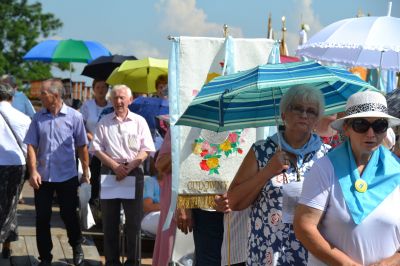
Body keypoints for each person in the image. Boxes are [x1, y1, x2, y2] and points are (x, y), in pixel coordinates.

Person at [294, 91, 400, 266]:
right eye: (361, 125)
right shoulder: (325, 168)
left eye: (379, 125)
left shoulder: (398, 170)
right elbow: (304, 226)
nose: (371, 133)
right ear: (347, 128)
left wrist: (389, 263)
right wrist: (347, 264)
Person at [227, 85, 329, 265]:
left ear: (316, 121)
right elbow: (234, 201)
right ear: (283, 115)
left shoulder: (326, 156)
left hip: (311, 254)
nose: (304, 115)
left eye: (311, 111)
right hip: (267, 252)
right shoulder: (261, 150)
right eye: (297, 108)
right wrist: (267, 171)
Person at [23, 78, 90, 266]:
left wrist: (85, 172)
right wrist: (33, 171)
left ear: (55, 95)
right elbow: (31, 145)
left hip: (67, 175)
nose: (40, 96)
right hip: (43, 177)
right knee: (42, 217)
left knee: (68, 214)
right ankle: (45, 257)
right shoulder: (38, 117)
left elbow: (82, 146)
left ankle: (76, 246)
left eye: (43, 93)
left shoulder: (74, 117)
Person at [90, 85, 155, 266]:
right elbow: (95, 148)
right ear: (111, 100)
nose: (118, 101)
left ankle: (133, 261)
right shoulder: (104, 121)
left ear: (130, 100)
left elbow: (147, 149)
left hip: (133, 171)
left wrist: (129, 166)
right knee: (110, 221)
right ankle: (112, 261)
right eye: (115, 98)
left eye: (122, 98)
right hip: (110, 171)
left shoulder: (139, 121)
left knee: (133, 221)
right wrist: (115, 166)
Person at [0, 83, 31, 259]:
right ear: (11, 98)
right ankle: (6, 245)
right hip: (17, 165)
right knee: (10, 205)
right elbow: (29, 148)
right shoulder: (23, 118)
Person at [80, 79, 112, 203]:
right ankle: (93, 200)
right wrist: (88, 135)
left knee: (105, 174)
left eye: (104, 87)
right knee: (93, 174)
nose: (101, 90)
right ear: (93, 89)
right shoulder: (87, 105)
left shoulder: (111, 106)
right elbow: (80, 124)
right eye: (98, 87)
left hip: (107, 146)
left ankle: (105, 199)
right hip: (90, 145)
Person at [152, 129, 177, 266]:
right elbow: (160, 164)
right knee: (170, 245)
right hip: (174, 200)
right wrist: (183, 149)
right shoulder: (176, 131)